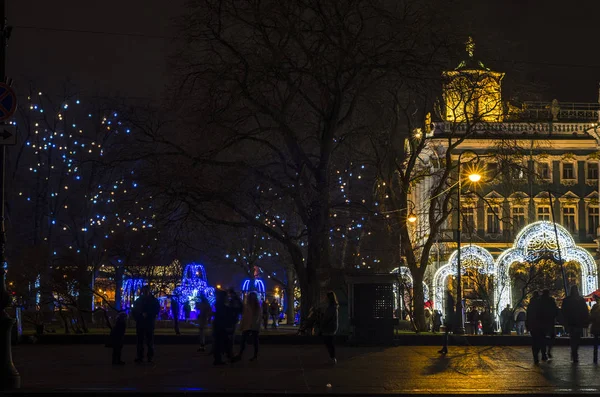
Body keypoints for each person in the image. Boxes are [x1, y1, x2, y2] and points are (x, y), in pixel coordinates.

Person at [132, 286, 160, 363]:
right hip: (145, 322)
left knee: (147, 340)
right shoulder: (151, 300)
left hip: (146, 322)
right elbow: (134, 311)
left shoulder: (141, 300)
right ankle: (144, 357)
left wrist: (145, 315)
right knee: (144, 341)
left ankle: (146, 357)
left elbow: (156, 310)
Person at [562, 284, 589, 363]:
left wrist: (565, 322)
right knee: (577, 338)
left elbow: (563, 311)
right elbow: (585, 312)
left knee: (573, 338)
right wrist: (585, 321)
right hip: (578, 322)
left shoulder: (567, 300)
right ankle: (575, 352)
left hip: (571, 323)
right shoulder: (581, 300)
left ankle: (574, 351)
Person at [233, 292, 262, 362]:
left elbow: (258, 317)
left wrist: (255, 324)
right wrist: (242, 325)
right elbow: (244, 316)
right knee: (243, 340)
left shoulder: (257, 307)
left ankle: (255, 355)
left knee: (255, 341)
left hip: (254, 326)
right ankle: (240, 354)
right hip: (247, 325)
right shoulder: (246, 306)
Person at [539, 289, 558, 360]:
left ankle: (543, 353)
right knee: (552, 337)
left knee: (542, 338)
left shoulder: (539, 300)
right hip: (550, 321)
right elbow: (555, 310)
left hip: (542, 321)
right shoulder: (551, 300)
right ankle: (549, 350)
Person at [320, 291, 339, 365]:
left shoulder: (331, 307)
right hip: (331, 326)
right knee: (329, 342)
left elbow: (327, 317)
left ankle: (333, 358)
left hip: (329, 326)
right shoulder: (333, 307)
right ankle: (332, 358)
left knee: (329, 342)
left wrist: (323, 321)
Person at [526, 291, 544, 364]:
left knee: (534, 340)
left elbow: (528, 316)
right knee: (540, 340)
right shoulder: (540, 305)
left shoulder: (530, 305)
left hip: (533, 325)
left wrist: (528, 325)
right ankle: (537, 353)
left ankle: (535, 356)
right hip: (539, 325)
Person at [212, 290, 229, 365]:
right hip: (220, 325)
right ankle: (219, 358)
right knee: (221, 342)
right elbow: (221, 313)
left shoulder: (218, 303)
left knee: (220, 342)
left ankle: (219, 358)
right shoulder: (221, 304)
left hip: (218, 324)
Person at [226, 289, 244, 359]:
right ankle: (230, 352)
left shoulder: (233, 301)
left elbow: (238, 309)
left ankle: (230, 352)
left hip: (232, 319)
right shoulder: (236, 300)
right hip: (233, 319)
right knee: (231, 336)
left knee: (230, 336)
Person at [438, 290, 455, 355]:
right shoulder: (450, 300)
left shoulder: (449, 301)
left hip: (450, 321)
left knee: (445, 335)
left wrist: (447, 320)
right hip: (450, 320)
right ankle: (444, 348)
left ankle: (445, 348)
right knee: (445, 335)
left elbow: (449, 311)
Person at [590, 295, 600, 364]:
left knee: (595, 343)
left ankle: (595, 358)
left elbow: (591, 316)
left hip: (596, 327)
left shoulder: (594, 307)